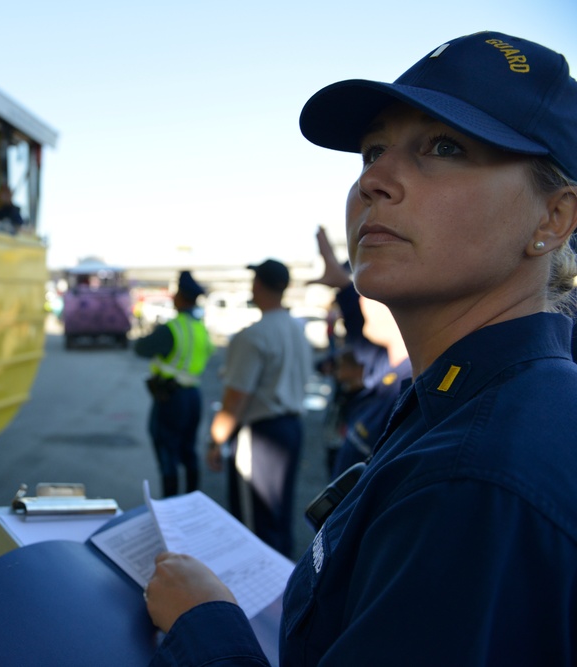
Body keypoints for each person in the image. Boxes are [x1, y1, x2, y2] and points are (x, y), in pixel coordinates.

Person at [145, 31, 577, 666]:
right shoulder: (491, 400)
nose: (375, 178)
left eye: (444, 146)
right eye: (372, 150)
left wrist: (203, 624)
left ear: (553, 219)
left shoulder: (473, 476)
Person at [205, 259, 312, 557]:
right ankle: (285, 590)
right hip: (291, 427)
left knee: (254, 525)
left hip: (260, 432)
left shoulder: (253, 335)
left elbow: (235, 399)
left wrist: (216, 440)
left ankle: (259, 596)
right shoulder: (297, 329)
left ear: (258, 285)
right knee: (279, 516)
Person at [311, 225, 412, 477]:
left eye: (367, 290)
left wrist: (344, 289)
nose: (361, 301)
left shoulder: (411, 386)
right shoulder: (386, 364)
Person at [134, 271, 214, 497]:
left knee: (166, 449)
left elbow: (140, 348)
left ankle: (170, 505)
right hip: (194, 396)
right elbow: (209, 351)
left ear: (181, 297)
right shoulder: (200, 328)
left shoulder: (173, 327)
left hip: (172, 397)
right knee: (189, 450)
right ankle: (191, 500)